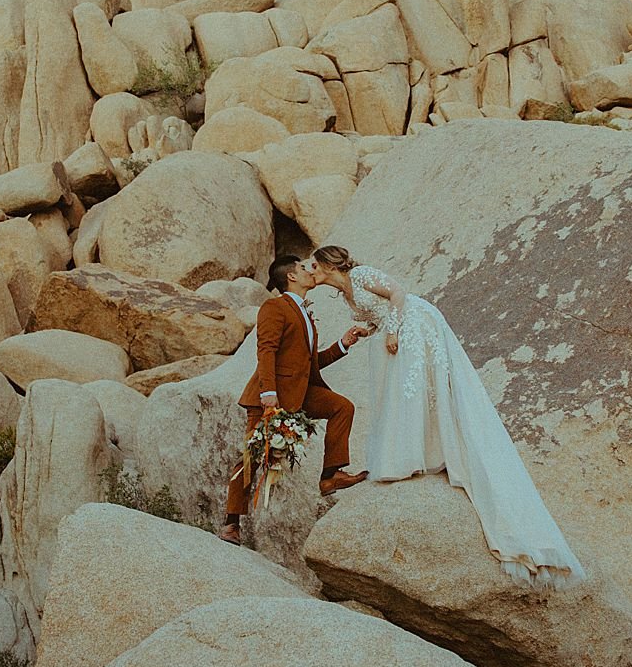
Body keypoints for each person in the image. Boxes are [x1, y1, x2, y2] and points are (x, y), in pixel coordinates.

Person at [309, 245, 586, 587]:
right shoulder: (345, 291)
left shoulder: (360, 275)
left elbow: (397, 292)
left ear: (328, 265)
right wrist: (373, 329)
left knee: (412, 387)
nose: (313, 271)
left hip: (415, 324)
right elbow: (378, 310)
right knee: (403, 389)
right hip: (397, 326)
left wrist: (392, 330)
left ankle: (427, 450)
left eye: (315, 266)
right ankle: (419, 449)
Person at [219, 254, 370, 545]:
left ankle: (330, 475)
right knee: (254, 459)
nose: (310, 271)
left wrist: (343, 344)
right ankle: (231, 522)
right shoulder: (275, 307)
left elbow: (307, 365)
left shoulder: (305, 314)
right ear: (291, 276)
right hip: (271, 395)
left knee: (342, 407)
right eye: (304, 267)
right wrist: (268, 394)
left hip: (300, 393)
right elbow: (266, 350)